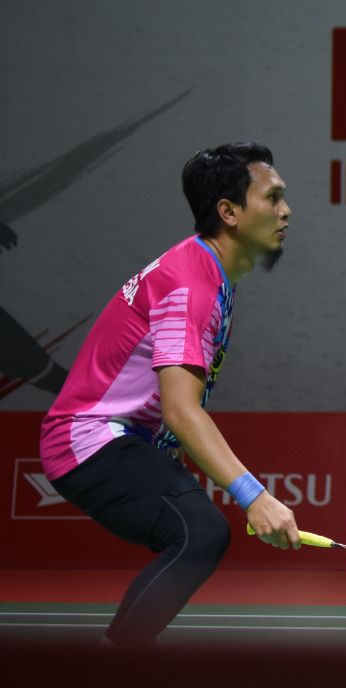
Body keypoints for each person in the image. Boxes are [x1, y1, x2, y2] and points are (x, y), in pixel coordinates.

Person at [39, 142, 302, 647]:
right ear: (228, 212)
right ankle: (111, 671)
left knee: (197, 532)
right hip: (90, 439)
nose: (286, 211)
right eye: (272, 198)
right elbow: (182, 409)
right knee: (201, 533)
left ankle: (117, 662)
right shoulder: (191, 285)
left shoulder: (204, 271)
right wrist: (255, 497)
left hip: (120, 438)